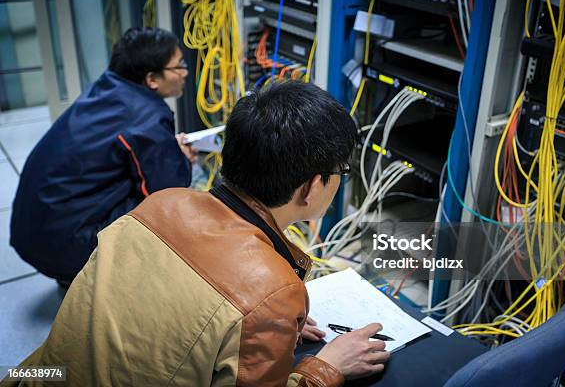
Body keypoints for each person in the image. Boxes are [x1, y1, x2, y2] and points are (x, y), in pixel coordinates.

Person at [5, 81, 390, 386]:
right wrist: (326, 367)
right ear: (310, 187)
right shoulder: (272, 292)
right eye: (341, 171)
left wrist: (259, 328)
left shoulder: (161, 204)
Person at [10, 27, 197, 285]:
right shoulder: (148, 118)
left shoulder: (106, 87)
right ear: (152, 79)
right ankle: (95, 274)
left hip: (29, 232)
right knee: (163, 207)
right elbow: (168, 190)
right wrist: (180, 159)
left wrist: (165, 149)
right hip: (61, 245)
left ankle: (74, 271)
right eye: (179, 66)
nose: (185, 73)